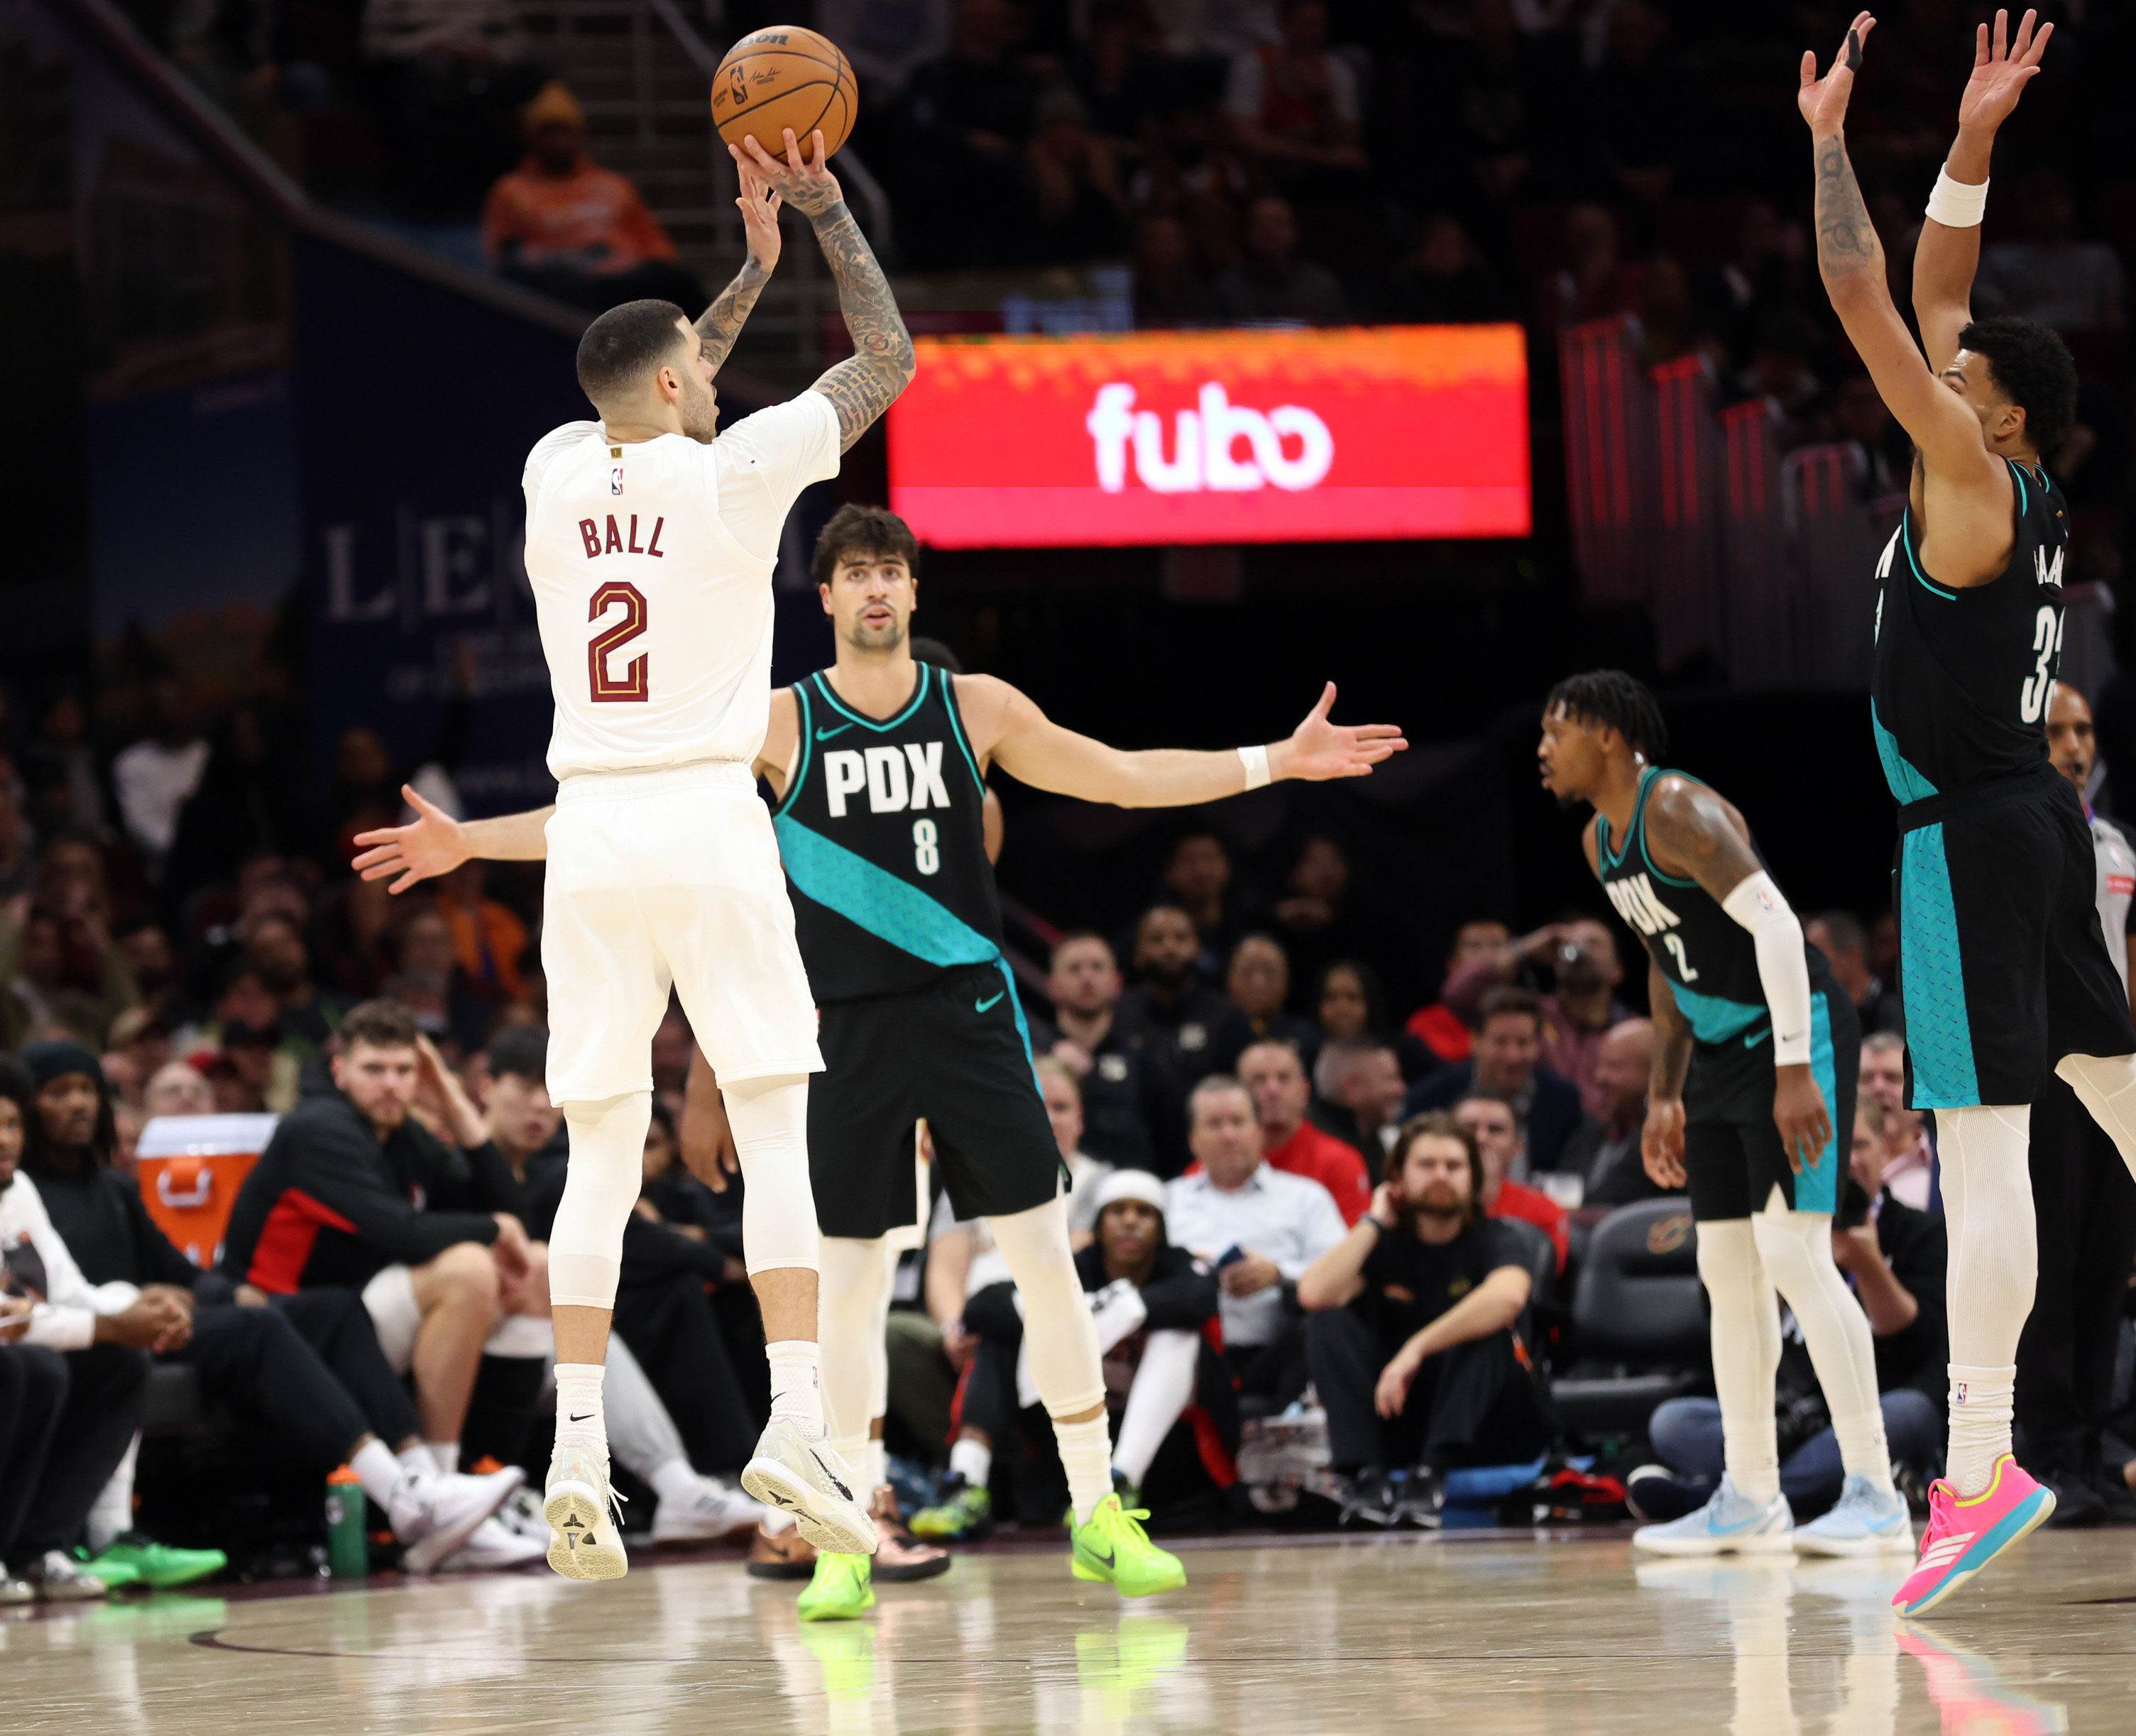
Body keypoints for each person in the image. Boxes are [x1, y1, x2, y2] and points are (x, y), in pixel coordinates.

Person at [354, 500, 1406, 1617]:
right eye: (853, 573)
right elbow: (623, 810)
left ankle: (1097, 1507)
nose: (872, 589)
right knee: (849, 1287)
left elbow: (1116, 775)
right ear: (823, 598)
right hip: (843, 1026)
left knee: (1043, 1255)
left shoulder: (976, 705)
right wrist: (473, 838)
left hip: (968, 1013)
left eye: (889, 573)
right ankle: (844, 1526)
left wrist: (1274, 763)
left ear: (913, 593)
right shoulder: (771, 721)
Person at [378, 130, 925, 1581]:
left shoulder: (556, 466)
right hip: (699, 815)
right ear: (687, 387)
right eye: (702, 355)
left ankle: (570, 1451)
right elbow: (885, 362)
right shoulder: (738, 477)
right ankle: (797, 1421)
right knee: (773, 1115)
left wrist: (735, 281)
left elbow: (661, 394)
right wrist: (814, 212)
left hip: (591, 834)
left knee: (601, 1148)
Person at [1811, 9, 2136, 1613]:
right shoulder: (2012, 472)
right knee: (2107, 1081)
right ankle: (1982, 1458)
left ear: (1992, 411)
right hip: (2035, 826)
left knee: (1985, 1143)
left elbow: (1869, 299)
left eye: (1960, 378)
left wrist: (1819, 146)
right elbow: (1934, 298)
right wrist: (1967, 138)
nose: (1935, 376)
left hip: (1964, 837)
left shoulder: (1960, 468)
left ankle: (1979, 1466)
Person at [1539, 669, 1901, 1559]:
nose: (1543, 748)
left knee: (1792, 1253)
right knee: (1726, 1265)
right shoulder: (1601, 842)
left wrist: (1790, 1070)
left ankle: (1877, 1492)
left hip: (1796, 1033)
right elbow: (1666, 959)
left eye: (1560, 729)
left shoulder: (1678, 811)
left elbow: (1780, 930)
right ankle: (1750, 1492)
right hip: (1719, 1055)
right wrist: (1664, 1091)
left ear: (1612, 737)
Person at [5, 1050, 525, 1578]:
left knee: (333, 1310)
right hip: (111, 1332)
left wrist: (230, 1293)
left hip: (156, 1319)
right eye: (58, 1092)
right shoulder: (22, 1190)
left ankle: (424, 1482)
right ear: (29, 1108)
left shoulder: (111, 1187)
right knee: (257, 1330)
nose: (77, 1104)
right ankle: (401, 1497)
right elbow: (61, 1294)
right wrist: (146, 1304)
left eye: (87, 1090)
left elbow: (178, 1271)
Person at [219, 1001, 544, 1492]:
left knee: (538, 1265)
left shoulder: (401, 1133)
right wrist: (493, 1229)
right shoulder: (318, 1130)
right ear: (340, 1071)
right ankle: (440, 1479)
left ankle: (491, 1468)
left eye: (403, 1071)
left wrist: (455, 1106)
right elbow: (404, 1233)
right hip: (291, 1326)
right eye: (374, 1069)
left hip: (355, 1313)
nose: (390, 1083)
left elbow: (511, 1216)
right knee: (467, 1268)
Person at [1631, 1102, 1946, 1539]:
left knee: (1912, 1413)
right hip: (1787, 1420)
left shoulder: (1919, 1231)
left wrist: (1866, 1262)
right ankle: (1779, 1489)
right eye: (1833, 1148)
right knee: (1672, 1421)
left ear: (1884, 1151)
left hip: (1873, 1415)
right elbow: (1723, 1319)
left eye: (1858, 1146)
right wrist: (1777, 1266)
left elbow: (1921, 1342)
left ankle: (1725, 1498)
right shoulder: (1777, 1232)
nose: (1846, 1162)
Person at [1298, 1113, 1551, 1526]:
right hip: (1402, 1415)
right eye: (1426, 1165)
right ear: (1398, 1175)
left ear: (1472, 1177)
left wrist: (1414, 1350)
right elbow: (1313, 1294)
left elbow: (1508, 1297)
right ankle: (1367, 1478)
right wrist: (1374, 1222)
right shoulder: (1383, 1245)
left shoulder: (1500, 1238)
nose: (1441, 1176)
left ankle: (1432, 1476)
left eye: (1453, 1166)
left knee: (1491, 1326)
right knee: (1327, 1324)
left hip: (1487, 1422)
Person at [2015, 681, 2136, 1523]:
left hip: (2116, 1076)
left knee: (2103, 1269)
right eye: (2056, 729)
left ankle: (2093, 1447)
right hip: (2042, 1079)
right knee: (2047, 1271)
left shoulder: (2122, 844)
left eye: (2085, 728)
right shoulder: (2016, 833)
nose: (2075, 743)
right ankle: (2047, 1454)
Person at [1165, 1076, 1349, 1409]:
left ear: (1259, 1131)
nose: (1228, 1135)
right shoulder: (1169, 1201)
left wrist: (1278, 1272)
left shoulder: (1305, 1197)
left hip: (1281, 1350)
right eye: (1214, 1124)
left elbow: (1343, 1276)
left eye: (1238, 1122)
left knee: (1327, 1324)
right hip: (1193, 1350)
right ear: (1194, 1140)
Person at [1074, 1170, 1234, 1524]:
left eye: (1144, 1213)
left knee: (1179, 1333)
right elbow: (990, 1306)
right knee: (1024, 1331)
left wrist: (1117, 1310)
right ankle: (966, 1481)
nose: (1130, 1221)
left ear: (1162, 1228)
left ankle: (1121, 1483)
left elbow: (1198, 1299)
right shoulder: (1076, 1266)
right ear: (1098, 1226)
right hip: (1078, 1437)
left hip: (1170, 1443)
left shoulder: (1181, 1267)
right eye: (1118, 1211)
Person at [481, 82, 705, 314]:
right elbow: (505, 255)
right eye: (547, 132)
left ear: (579, 135)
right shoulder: (511, 191)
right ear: (532, 138)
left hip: (624, 278)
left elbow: (655, 247)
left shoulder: (614, 186)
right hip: (565, 283)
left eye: (564, 130)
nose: (557, 141)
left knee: (681, 286)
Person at [1404, 987, 1584, 1174]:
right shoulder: (1429, 1099)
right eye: (1501, 1042)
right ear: (1475, 1041)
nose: (1513, 1056)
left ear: (1538, 1045)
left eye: (1523, 1043)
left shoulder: (1563, 1101)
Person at [1033, 931, 1167, 1175]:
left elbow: (1169, 1139)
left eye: (1097, 967)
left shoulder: (1145, 1059)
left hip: (1125, 1201)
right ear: (1052, 986)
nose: (1087, 977)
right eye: (1074, 969)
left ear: (1117, 983)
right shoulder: (1029, 1059)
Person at [1117, 906, 1254, 1110]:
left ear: (1199, 950)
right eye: (1157, 940)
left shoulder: (1227, 1016)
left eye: (1181, 938)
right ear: (1138, 954)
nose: (1170, 948)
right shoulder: (1118, 1014)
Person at [1238, 1038, 1370, 1225]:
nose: (1272, 1090)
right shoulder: (1213, 1168)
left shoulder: (1339, 1162)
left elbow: (1356, 1244)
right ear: (1237, 1094)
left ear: (1305, 1091)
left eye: (1284, 1078)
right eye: (1259, 1080)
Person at [1557, 1018, 1675, 1206]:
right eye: (1600, 1064)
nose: (1599, 1077)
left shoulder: (1667, 1147)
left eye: (1614, 1066)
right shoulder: (1589, 1134)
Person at [1452, 1095, 1567, 1273]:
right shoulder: (1423, 1199)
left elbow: (1540, 1277)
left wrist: (1486, 1198)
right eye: (1469, 1128)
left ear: (1518, 1146)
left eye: (1496, 1130)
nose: (1481, 1139)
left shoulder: (1545, 1210)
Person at [1859, 1032, 1934, 1210]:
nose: (1879, 1087)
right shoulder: (1831, 1165)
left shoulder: (1953, 1164)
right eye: (1867, 1078)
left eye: (1892, 1078)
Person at [1803, 911, 1905, 1037]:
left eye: (1818, 955)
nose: (1809, 966)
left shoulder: (1896, 1006)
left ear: (1852, 955)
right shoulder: (1818, 1014)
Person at [1225, 935, 1319, 1065]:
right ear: (1228, 979)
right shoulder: (1214, 1035)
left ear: (1287, 982)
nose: (1258, 983)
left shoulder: (1309, 1039)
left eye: (1270, 972)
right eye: (1246, 971)